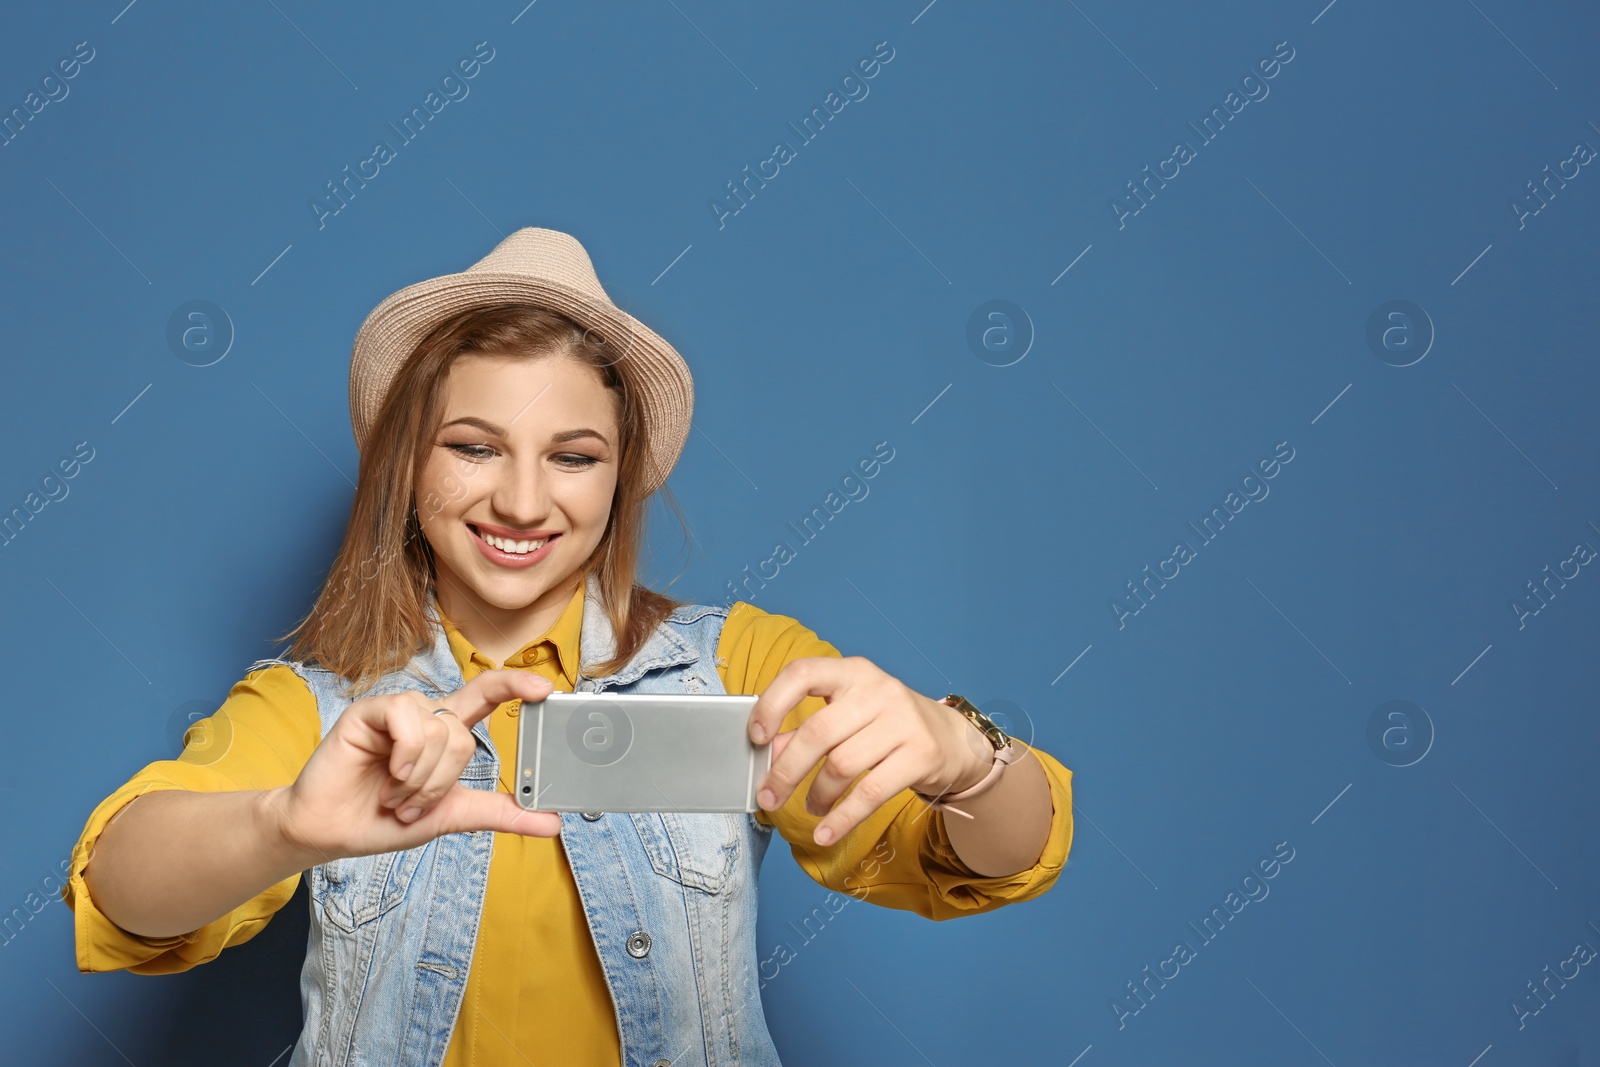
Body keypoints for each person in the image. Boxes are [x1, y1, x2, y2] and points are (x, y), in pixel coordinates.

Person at [64, 227, 1075, 1066]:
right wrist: (285, 823)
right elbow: (121, 889)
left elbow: (988, 854)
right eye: (473, 445)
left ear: (619, 474)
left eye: (573, 456)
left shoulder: (738, 667)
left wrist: (960, 755)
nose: (520, 498)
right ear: (410, 462)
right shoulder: (322, 706)